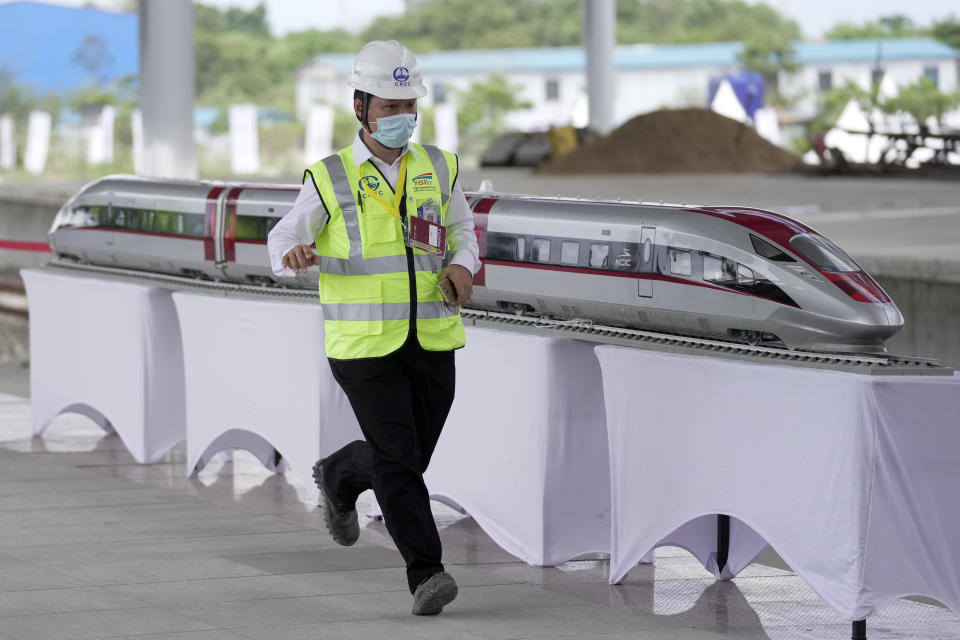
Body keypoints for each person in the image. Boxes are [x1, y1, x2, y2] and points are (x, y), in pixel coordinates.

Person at [267, 39, 479, 616]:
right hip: (363, 345)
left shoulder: (438, 166)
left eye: (409, 104)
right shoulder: (331, 177)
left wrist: (462, 263)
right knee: (398, 455)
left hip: (432, 336)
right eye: (389, 105)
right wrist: (293, 256)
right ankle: (426, 573)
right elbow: (282, 238)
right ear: (360, 106)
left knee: (404, 459)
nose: (402, 116)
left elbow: (463, 231)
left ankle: (339, 475)